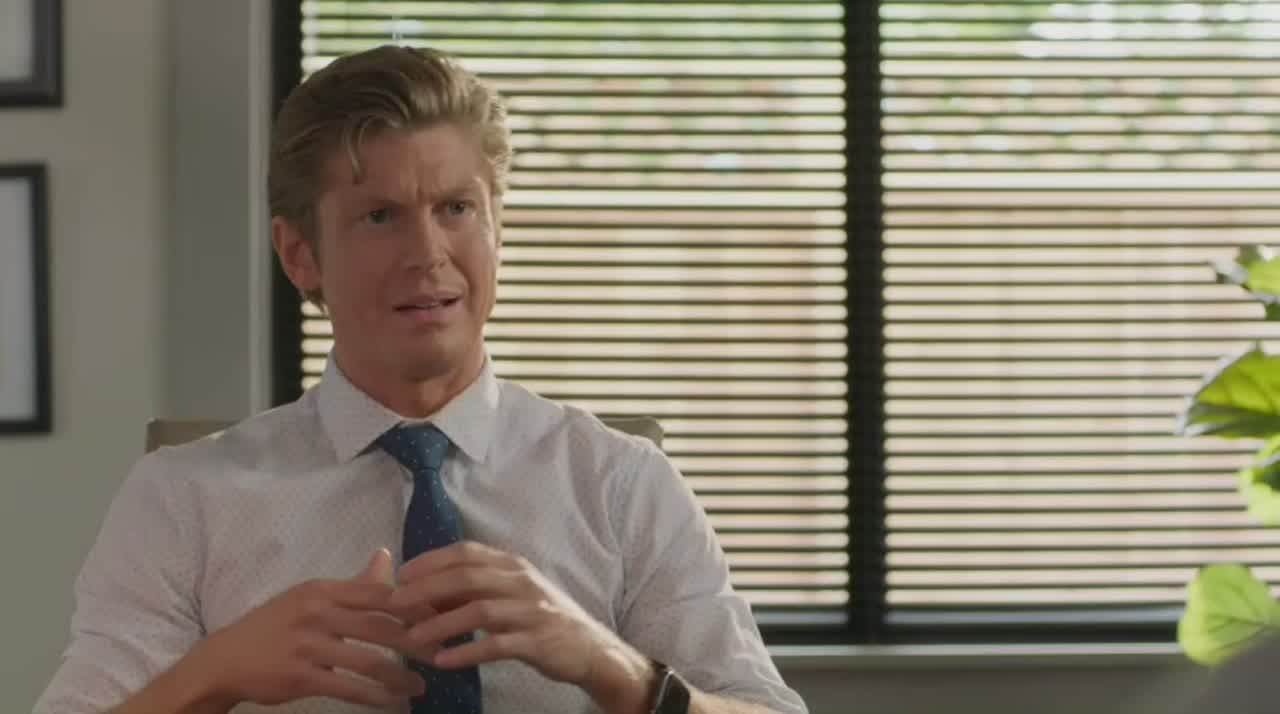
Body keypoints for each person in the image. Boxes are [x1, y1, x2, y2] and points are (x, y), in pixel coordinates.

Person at [34, 45, 808, 714]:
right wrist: (216, 672)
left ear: (497, 229)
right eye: (380, 216)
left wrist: (614, 668)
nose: (429, 253)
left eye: (456, 208)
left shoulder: (621, 485)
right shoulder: (183, 500)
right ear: (300, 254)